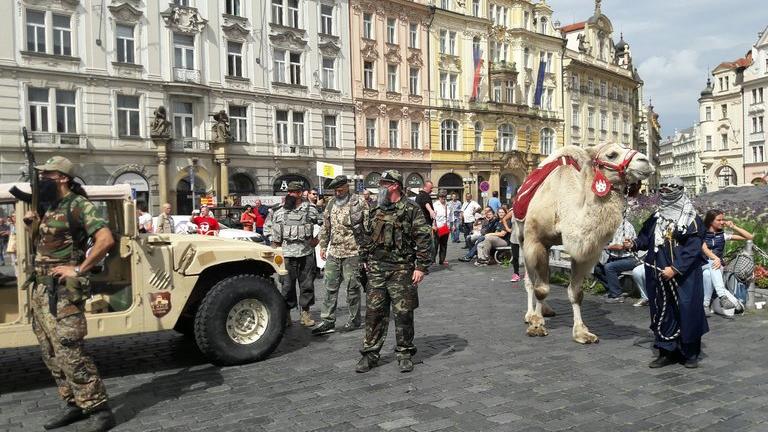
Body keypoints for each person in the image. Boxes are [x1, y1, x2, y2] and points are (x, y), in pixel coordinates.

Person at [23, 156, 116, 430]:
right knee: (49, 352)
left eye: (47, 175)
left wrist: (78, 269)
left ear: (62, 177)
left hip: (63, 293)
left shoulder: (78, 204)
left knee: (69, 350)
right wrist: (32, 227)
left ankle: (99, 409)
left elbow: (105, 239)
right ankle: (74, 404)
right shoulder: (50, 206)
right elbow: (45, 247)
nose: (42, 179)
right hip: (42, 290)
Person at [627, 177, 708, 369]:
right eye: (661, 190)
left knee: (687, 310)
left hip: (684, 276)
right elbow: (646, 238)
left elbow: (693, 248)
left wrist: (675, 269)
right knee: (662, 310)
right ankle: (666, 351)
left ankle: (690, 354)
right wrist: (634, 243)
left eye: (668, 190)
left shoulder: (691, 219)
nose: (663, 194)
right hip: (658, 272)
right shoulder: (657, 216)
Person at [356, 170, 432, 373]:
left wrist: (421, 267)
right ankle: (370, 354)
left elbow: (423, 238)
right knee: (374, 313)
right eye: (380, 183)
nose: (380, 187)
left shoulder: (411, 208)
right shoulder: (374, 208)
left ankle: (405, 353)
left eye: (384, 183)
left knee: (403, 313)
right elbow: (366, 235)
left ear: (395, 186)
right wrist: (363, 259)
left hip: (401, 269)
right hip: (376, 268)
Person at [312, 175, 369, 335]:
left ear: (346, 187)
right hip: (334, 252)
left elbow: (367, 228)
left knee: (352, 288)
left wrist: (365, 252)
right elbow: (326, 227)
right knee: (329, 287)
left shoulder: (359, 202)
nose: (337, 193)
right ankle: (327, 321)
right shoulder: (330, 203)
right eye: (335, 191)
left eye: (340, 190)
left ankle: (354, 319)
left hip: (353, 253)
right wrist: (323, 246)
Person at [271, 182, 321, 327]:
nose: (292, 194)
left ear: (300, 193)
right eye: (290, 192)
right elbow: (274, 236)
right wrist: (277, 253)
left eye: (295, 192)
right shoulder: (279, 211)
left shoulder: (310, 209)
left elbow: (325, 223)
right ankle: (286, 315)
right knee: (287, 287)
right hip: (286, 256)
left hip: (305, 254)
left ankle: (305, 314)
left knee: (307, 286)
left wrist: (317, 239)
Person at [701, 209, 753, 314]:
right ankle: (722, 296)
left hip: (716, 267)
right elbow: (704, 249)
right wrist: (715, 258)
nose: (722, 222)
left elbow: (749, 237)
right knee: (711, 264)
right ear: (711, 221)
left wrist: (733, 227)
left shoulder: (723, 235)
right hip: (703, 264)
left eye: (723, 219)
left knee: (707, 274)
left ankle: (705, 305)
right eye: (719, 220)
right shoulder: (702, 234)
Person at [592, 220, 640, 304]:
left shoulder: (625, 227)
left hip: (630, 258)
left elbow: (621, 246)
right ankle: (612, 290)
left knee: (609, 267)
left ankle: (617, 296)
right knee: (597, 269)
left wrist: (604, 246)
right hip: (615, 258)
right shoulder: (613, 226)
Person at [500, 204, 522, 282]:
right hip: (514, 237)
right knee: (515, 257)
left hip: (525, 238)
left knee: (527, 257)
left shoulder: (527, 210)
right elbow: (504, 219)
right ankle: (516, 274)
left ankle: (528, 274)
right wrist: (508, 229)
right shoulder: (513, 211)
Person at [431, 190, 450, 266]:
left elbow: (450, 216)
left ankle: (442, 260)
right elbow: (432, 217)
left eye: (444, 197)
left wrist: (452, 225)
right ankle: (433, 261)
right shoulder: (435, 205)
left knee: (444, 244)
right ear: (438, 197)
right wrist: (433, 225)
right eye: (442, 197)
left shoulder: (448, 205)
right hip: (437, 227)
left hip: (446, 227)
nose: (443, 198)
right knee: (435, 245)